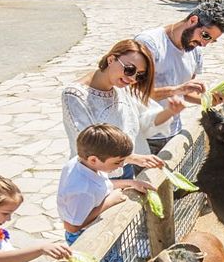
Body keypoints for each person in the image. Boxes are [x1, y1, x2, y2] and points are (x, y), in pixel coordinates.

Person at [57, 124, 157, 262]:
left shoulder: (84, 165)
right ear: (94, 159)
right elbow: (73, 224)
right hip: (87, 241)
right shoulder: (81, 188)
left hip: (101, 235)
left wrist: (130, 182)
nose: (120, 165)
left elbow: (105, 184)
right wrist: (109, 202)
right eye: (117, 162)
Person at [62, 39, 181, 179]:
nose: (132, 78)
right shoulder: (74, 95)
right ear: (111, 59)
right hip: (92, 176)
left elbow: (144, 122)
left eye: (139, 75)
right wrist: (133, 158)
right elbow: (88, 143)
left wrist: (170, 112)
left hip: (125, 168)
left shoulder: (122, 88)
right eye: (129, 70)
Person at [136, 2, 224, 155]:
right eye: (205, 35)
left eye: (211, 40)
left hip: (174, 131)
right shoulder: (149, 43)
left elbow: (185, 93)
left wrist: (207, 100)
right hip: (145, 134)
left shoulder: (195, 52)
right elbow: (134, 93)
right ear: (193, 20)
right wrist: (177, 89)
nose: (204, 44)